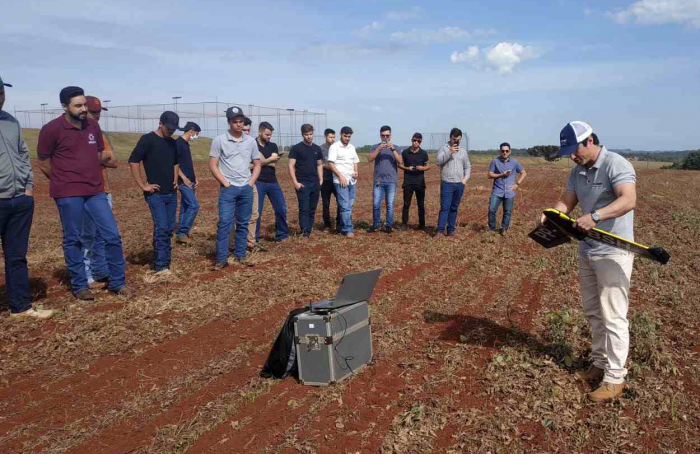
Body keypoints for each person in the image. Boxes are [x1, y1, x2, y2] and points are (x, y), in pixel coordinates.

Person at [540, 121, 636, 403]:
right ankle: (599, 364)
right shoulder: (577, 171)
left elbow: (628, 200)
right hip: (587, 249)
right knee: (594, 312)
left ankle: (615, 377)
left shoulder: (616, 164)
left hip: (613, 251)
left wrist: (595, 216)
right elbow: (566, 202)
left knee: (613, 315)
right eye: (568, 152)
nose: (572, 156)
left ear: (590, 140)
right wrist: (552, 214)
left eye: (575, 150)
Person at [37, 86, 130, 300]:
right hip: (68, 194)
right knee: (73, 239)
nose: (83, 109)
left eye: (85, 105)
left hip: (95, 191)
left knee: (112, 236)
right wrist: (63, 182)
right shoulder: (51, 129)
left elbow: (99, 153)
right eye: (78, 106)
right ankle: (80, 286)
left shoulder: (93, 127)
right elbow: (43, 162)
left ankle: (117, 283)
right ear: (64, 106)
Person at [0, 76, 54, 319]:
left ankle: (20, 307)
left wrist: (28, 187)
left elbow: (22, 154)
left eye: (1, 90)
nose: (1, 96)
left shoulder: (11, 121)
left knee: (16, 256)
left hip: (20, 200)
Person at [128, 111, 180, 275]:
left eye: (174, 128)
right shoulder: (147, 140)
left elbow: (175, 162)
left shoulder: (173, 143)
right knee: (162, 227)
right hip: (155, 194)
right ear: (160, 123)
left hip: (171, 193)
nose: (171, 131)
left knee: (168, 227)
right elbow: (133, 161)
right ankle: (161, 266)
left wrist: (176, 179)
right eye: (169, 127)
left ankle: (163, 258)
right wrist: (143, 185)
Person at [210, 106, 261, 268]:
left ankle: (241, 255)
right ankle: (221, 259)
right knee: (225, 222)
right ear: (229, 122)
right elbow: (212, 165)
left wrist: (251, 182)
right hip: (228, 189)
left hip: (245, 188)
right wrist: (225, 183)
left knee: (243, 223)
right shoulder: (219, 140)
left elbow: (257, 163)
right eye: (235, 122)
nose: (238, 125)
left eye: (241, 122)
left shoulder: (250, 141)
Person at [81, 96, 118, 289]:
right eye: (93, 112)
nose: (97, 116)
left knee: (103, 234)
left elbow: (113, 161)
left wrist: (90, 157)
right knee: (86, 236)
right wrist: (98, 157)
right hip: (83, 192)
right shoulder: (76, 132)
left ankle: (99, 270)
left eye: (99, 112)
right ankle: (85, 277)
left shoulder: (101, 133)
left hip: (103, 190)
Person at [255, 121, 289, 242]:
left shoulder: (273, 145)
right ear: (260, 132)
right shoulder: (252, 144)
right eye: (267, 134)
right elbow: (251, 165)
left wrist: (261, 161)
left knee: (281, 208)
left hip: (273, 181)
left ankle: (282, 234)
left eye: (270, 135)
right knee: (256, 211)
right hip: (257, 181)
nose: (269, 137)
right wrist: (268, 160)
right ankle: (255, 237)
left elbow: (274, 164)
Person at [288, 124, 323, 240]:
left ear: (313, 133)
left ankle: (309, 228)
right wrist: (295, 182)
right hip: (302, 183)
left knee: (312, 208)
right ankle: (304, 232)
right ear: (302, 134)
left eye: (310, 134)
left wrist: (321, 179)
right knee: (304, 208)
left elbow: (319, 164)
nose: (309, 136)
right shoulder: (296, 148)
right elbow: (291, 165)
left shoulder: (317, 149)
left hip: (315, 183)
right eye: (306, 134)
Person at [435, 128, 471, 237]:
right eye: (454, 139)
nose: (456, 142)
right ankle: (440, 231)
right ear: (450, 137)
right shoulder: (444, 148)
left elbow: (467, 166)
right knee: (445, 208)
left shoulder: (463, 151)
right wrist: (449, 152)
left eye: (458, 140)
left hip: (459, 184)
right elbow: (438, 162)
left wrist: (465, 179)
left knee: (454, 208)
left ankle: (451, 231)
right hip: (447, 183)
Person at [368, 125, 403, 233]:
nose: (385, 138)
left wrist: (393, 150)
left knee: (390, 205)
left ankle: (388, 225)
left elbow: (400, 161)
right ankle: (376, 225)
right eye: (383, 135)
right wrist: (379, 149)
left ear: (390, 136)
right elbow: (370, 159)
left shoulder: (396, 147)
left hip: (391, 181)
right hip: (378, 180)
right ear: (380, 135)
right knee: (376, 204)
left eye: (387, 135)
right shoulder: (375, 147)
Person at [487, 142, 527, 236]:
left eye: (506, 151)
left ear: (510, 151)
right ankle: (492, 229)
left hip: (509, 192)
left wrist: (517, 184)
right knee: (492, 210)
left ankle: (503, 229)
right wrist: (502, 174)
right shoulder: (495, 161)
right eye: (503, 151)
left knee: (507, 212)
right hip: (497, 190)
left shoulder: (515, 162)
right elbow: (489, 175)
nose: (505, 152)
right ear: (500, 151)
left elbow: (524, 173)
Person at [328, 126, 360, 238]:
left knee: (349, 204)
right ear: (341, 134)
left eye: (349, 136)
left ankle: (342, 226)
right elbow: (331, 164)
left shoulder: (351, 147)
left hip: (352, 181)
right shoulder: (334, 147)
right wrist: (340, 176)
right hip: (340, 181)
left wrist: (356, 171)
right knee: (345, 205)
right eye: (345, 136)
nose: (347, 138)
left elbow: (355, 161)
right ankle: (348, 229)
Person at [175, 122, 201, 244]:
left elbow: (187, 163)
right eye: (196, 133)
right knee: (194, 205)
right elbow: (174, 164)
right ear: (191, 131)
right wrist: (184, 178)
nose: (196, 136)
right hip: (183, 181)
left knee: (185, 206)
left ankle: (181, 233)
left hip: (190, 180)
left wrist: (194, 178)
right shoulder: (178, 143)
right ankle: (182, 232)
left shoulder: (186, 144)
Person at [399, 133, 430, 229]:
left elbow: (428, 166)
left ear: (421, 142)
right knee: (406, 204)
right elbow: (399, 164)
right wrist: (407, 168)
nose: (416, 142)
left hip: (420, 183)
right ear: (411, 140)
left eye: (418, 141)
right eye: (414, 140)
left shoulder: (424, 153)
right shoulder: (405, 152)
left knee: (421, 204)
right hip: (408, 182)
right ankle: (404, 224)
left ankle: (422, 224)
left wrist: (422, 168)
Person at [320, 128, 340, 231]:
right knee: (326, 203)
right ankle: (327, 224)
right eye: (330, 137)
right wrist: (325, 166)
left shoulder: (337, 148)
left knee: (340, 201)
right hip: (326, 179)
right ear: (325, 137)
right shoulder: (321, 149)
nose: (332, 139)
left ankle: (339, 222)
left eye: (333, 137)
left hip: (336, 179)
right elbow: (318, 164)